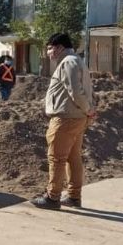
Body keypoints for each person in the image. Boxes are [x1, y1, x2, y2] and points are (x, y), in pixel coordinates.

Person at [31, 33, 96, 210]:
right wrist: (88, 110)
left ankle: (53, 198)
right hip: (76, 118)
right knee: (73, 158)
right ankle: (74, 197)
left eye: (50, 48)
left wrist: (88, 109)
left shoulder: (68, 62)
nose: (49, 53)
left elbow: (75, 91)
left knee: (57, 158)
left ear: (59, 47)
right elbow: (84, 91)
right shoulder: (77, 61)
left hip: (65, 119)